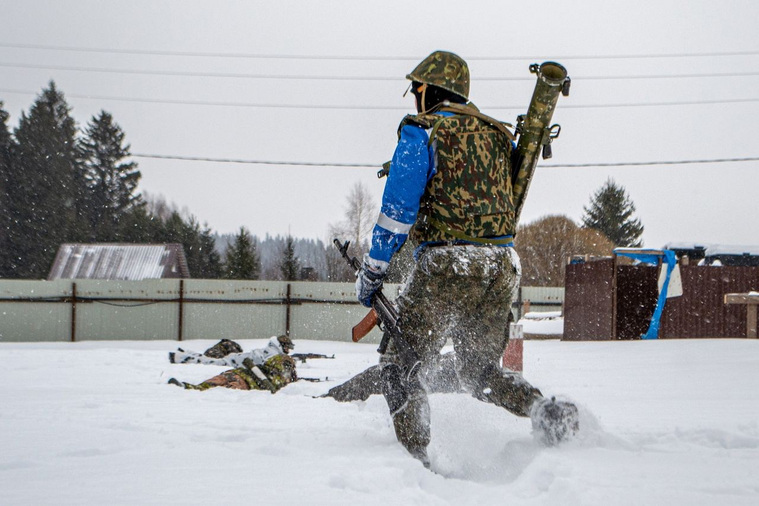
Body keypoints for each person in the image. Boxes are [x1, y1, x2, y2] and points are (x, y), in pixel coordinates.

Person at [354, 50, 578, 466]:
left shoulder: (421, 130)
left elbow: (397, 212)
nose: (413, 100)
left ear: (429, 91)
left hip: (445, 266)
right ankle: (542, 410)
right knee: (478, 372)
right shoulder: (498, 135)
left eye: (415, 91)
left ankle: (414, 463)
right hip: (500, 267)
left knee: (400, 365)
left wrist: (373, 269)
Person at [168, 353, 298, 393]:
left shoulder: (263, 367)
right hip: (244, 382)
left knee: (210, 385)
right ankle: (189, 388)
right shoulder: (276, 376)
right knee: (222, 391)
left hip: (235, 373)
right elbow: (277, 385)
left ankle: (186, 387)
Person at [168, 335, 294, 368]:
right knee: (210, 362)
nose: (288, 350)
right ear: (280, 345)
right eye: (287, 347)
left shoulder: (272, 351)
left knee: (211, 360)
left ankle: (186, 353)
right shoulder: (273, 353)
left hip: (239, 358)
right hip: (238, 361)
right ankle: (179, 357)